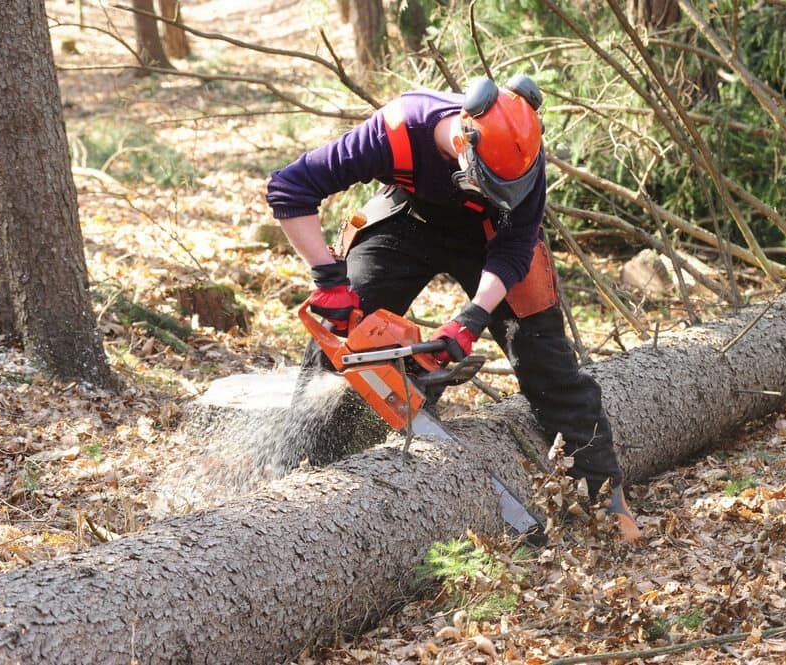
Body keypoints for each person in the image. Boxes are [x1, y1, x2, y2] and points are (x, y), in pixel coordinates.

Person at [266, 76, 640, 542]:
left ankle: (607, 497)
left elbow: (516, 246)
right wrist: (328, 281)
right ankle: (298, 473)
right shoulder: (398, 127)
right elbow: (289, 187)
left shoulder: (525, 147)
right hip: (408, 216)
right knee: (346, 333)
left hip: (492, 238)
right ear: (464, 143)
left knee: (547, 360)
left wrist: (472, 318)